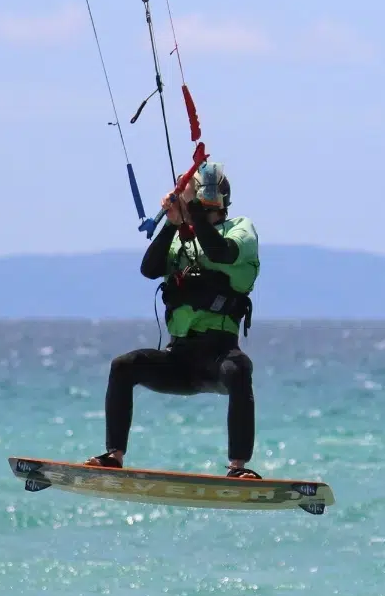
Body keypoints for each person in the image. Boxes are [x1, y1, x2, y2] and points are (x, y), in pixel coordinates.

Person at [85, 161, 262, 479]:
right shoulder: (183, 235)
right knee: (124, 366)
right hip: (179, 357)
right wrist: (172, 223)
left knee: (238, 370)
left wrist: (191, 211)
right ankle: (114, 456)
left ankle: (238, 468)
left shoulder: (240, 228)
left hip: (217, 355)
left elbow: (219, 252)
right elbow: (150, 268)